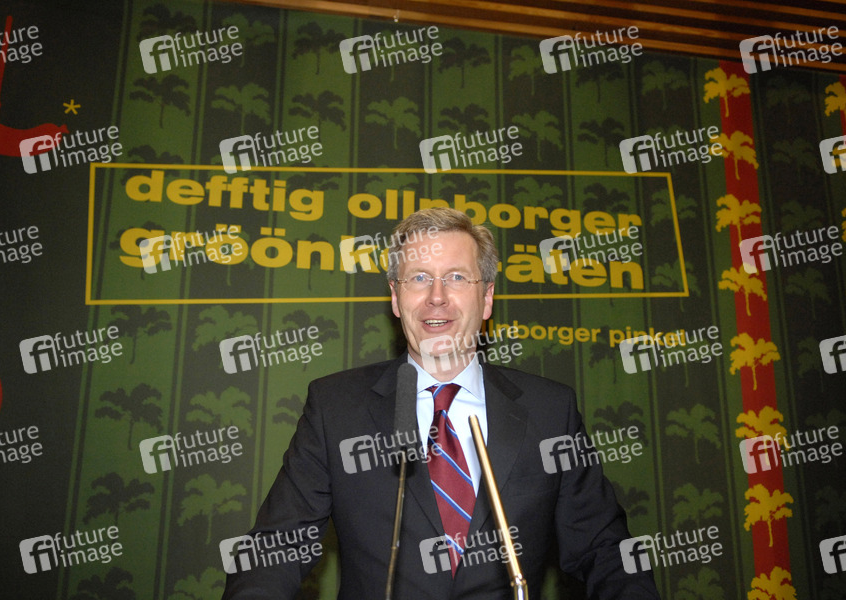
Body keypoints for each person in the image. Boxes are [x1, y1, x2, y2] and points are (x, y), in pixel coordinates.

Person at [222, 207, 659, 599]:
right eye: (418, 278)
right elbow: (274, 550)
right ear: (395, 298)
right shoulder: (335, 408)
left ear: (487, 298)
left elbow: (605, 550)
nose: (436, 296)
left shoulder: (550, 411)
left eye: (456, 277)